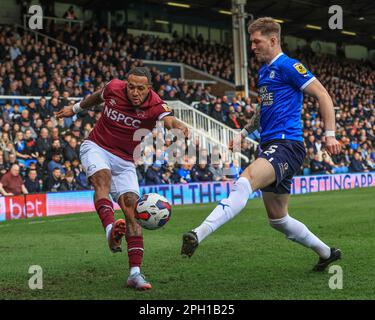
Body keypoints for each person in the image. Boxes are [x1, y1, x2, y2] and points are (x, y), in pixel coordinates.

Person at [181, 17, 342, 272]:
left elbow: (323, 94)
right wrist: (244, 132)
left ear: (273, 40)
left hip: (287, 144)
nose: (253, 46)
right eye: (251, 41)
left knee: (245, 179)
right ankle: (326, 253)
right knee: (278, 219)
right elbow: (262, 108)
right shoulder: (264, 72)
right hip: (270, 145)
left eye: (257, 42)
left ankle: (198, 233)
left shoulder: (290, 66)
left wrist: (330, 133)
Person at [57, 67, 188, 290]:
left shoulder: (156, 105)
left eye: (140, 88)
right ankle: (110, 230)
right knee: (102, 180)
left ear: (149, 88)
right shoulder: (114, 87)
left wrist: (179, 127)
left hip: (126, 161)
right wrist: (76, 108)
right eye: (131, 87)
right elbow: (97, 96)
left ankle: (135, 274)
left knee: (133, 212)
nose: (134, 92)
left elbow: (169, 120)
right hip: (97, 146)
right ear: (125, 84)